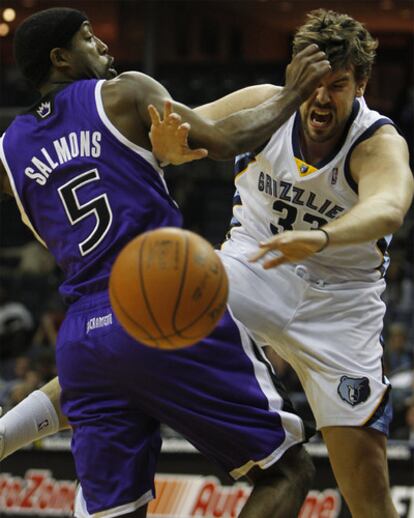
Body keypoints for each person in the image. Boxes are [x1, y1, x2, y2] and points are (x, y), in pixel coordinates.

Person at [0, 7, 332, 518]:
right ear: (61, 58)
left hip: (84, 337)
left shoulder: (8, 150)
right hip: (163, 302)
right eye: (89, 40)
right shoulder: (123, 92)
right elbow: (226, 142)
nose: (104, 48)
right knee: (287, 471)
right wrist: (293, 92)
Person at [149, 9, 414, 518]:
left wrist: (320, 237)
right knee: (135, 321)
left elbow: (389, 208)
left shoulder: (377, 142)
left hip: (341, 305)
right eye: (312, 82)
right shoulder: (261, 105)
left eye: (337, 85)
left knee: (370, 496)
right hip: (255, 268)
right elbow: (175, 128)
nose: (320, 98)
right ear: (295, 73)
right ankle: (14, 428)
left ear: (362, 84)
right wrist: (170, 146)